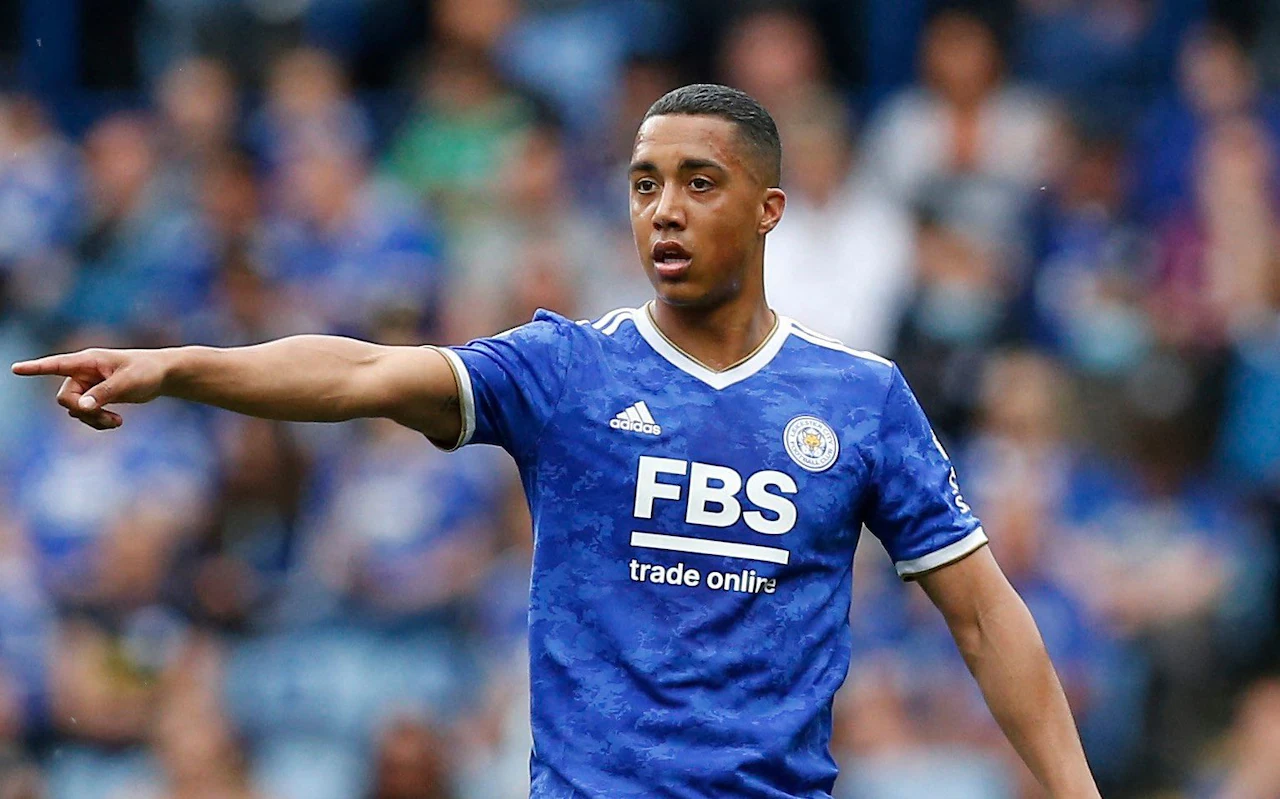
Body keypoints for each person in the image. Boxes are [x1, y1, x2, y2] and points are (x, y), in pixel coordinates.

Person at [12, 84, 1100, 799]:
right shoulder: (566, 370)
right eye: (643, 184)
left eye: (698, 182)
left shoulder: (859, 398)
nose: (663, 210)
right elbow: (361, 373)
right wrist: (182, 366)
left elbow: (980, 612)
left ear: (769, 209)